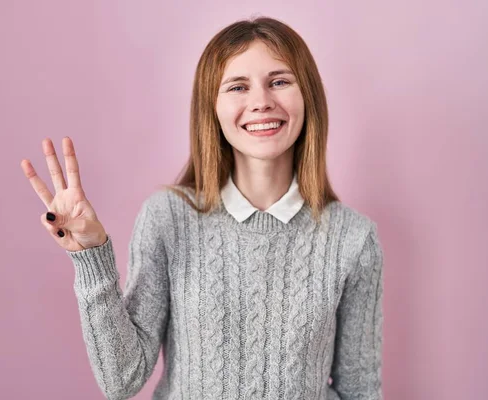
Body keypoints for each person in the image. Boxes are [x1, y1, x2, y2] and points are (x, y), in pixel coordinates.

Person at [21, 16, 384, 400]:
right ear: (212, 107)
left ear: (308, 95)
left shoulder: (354, 239)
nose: (261, 102)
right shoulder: (167, 218)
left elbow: (360, 390)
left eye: (279, 81)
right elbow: (122, 379)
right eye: (238, 87)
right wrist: (91, 257)